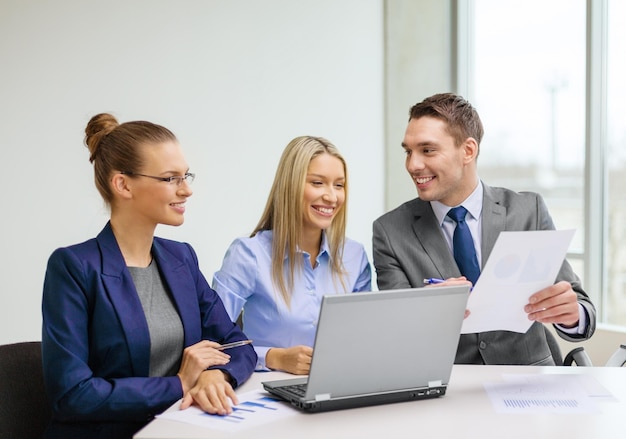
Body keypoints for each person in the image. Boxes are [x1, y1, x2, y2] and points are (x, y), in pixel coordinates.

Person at [41, 113, 256, 438]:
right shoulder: (74, 267)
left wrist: (217, 375)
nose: (186, 191)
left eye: (187, 176)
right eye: (171, 178)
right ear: (123, 184)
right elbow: (73, 395)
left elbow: (238, 344)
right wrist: (179, 384)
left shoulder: (181, 257)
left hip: (183, 428)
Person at [372, 92, 596, 365]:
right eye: (408, 151)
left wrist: (572, 315)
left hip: (528, 381)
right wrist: (427, 312)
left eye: (427, 150)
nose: (412, 164)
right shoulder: (390, 232)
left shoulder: (528, 211)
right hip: (447, 387)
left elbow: (582, 309)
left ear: (468, 150)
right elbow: (394, 333)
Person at [212, 136, 371, 374]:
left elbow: (365, 338)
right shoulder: (248, 254)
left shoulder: (354, 255)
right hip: (268, 391)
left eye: (339, 185)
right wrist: (273, 357)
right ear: (291, 186)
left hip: (339, 384)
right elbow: (213, 343)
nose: (331, 196)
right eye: (317, 183)